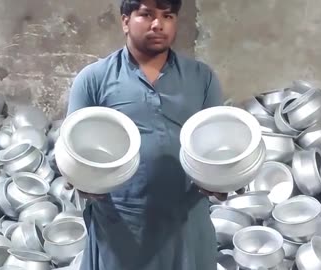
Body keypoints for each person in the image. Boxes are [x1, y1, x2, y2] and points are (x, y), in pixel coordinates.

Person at [66, 0, 235, 269]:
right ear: (125, 21)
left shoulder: (201, 78)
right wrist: (80, 179)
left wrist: (223, 179)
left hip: (186, 224)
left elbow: (218, 144)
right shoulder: (94, 79)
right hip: (120, 226)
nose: (158, 24)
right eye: (146, 15)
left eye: (167, 16)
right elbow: (71, 149)